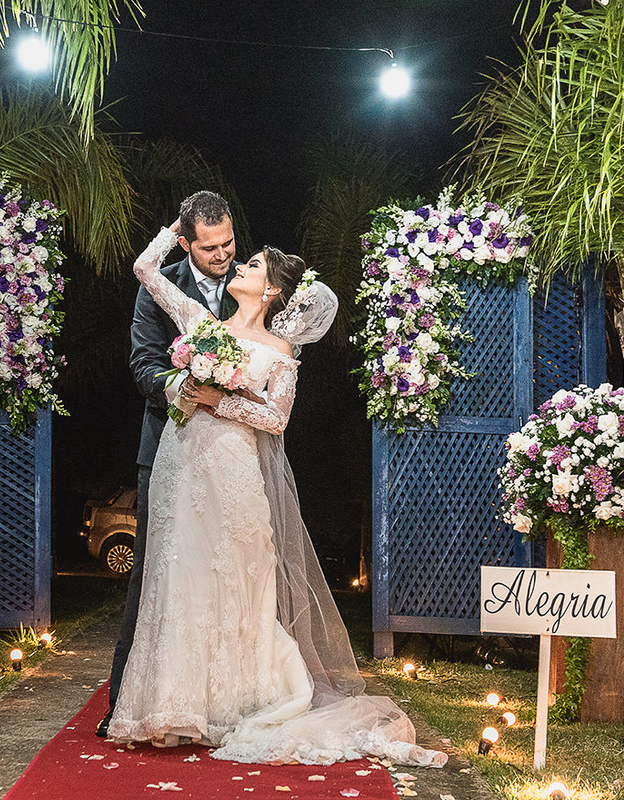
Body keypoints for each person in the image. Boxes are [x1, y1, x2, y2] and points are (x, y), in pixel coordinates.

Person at [106, 221, 447, 769]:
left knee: (237, 575)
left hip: (234, 467)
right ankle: (173, 706)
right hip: (181, 461)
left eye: (252, 265)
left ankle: (231, 702)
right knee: (178, 573)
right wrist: (176, 230)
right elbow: (145, 269)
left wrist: (220, 400)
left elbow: (276, 418)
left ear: (270, 291)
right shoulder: (201, 324)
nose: (237, 264)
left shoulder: (280, 350)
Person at [99, 191, 239, 737]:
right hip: (167, 447)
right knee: (153, 574)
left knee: (230, 572)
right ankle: (125, 703)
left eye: (228, 242)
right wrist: (187, 386)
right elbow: (143, 365)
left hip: (233, 453)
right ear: (184, 243)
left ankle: (225, 703)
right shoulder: (158, 286)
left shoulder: (253, 283)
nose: (222, 254)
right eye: (209, 247)